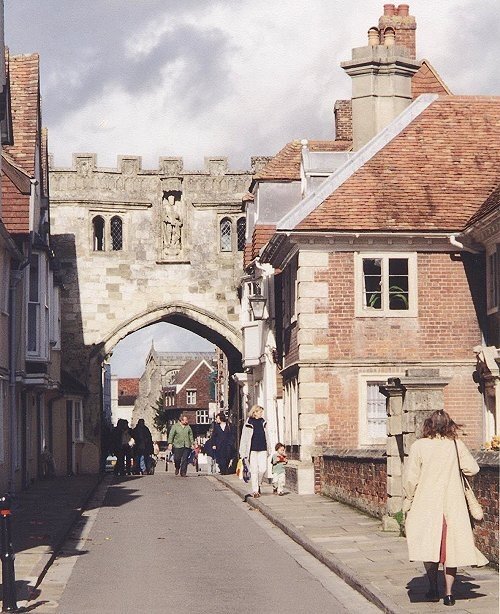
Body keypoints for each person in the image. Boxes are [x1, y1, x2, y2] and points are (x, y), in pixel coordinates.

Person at [403, 410, 488, 606]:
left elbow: (410, 478)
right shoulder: (456, 445)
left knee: (429, 546)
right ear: (450, 425)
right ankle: (449, 594)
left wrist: (407, 501)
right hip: (453, 504)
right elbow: (473, 469)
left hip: (426, 504)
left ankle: (433, 588)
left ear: (428, 425)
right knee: (451, 550)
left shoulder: (419, 446)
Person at [238, 404, 272, 498]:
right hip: (252, 450)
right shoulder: (249, 423)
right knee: (254, 470)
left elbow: (267, 436)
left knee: (263, 469)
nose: (261, 413)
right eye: (260, 412)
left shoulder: (263, 422)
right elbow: (244, 438)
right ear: (255, 412)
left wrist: (269, 447)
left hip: (263, 448)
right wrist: (243, 453)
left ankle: (258, 484)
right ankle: (255, 490)